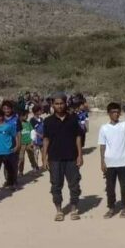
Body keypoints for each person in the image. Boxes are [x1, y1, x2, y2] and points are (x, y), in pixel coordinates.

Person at [42, 93, 84, 221]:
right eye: (56, 103)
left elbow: (78, 137)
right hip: (54, 158)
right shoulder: (48, 121)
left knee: (74, 184)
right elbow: (46, 139)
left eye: (61, 103)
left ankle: (73, 209)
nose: (59, 106)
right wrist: (44, 157)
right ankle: (59, 210)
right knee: (56, 185)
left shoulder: (73, 119)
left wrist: (80, 155)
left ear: (65, 104)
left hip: (71, 157)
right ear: (53, 105)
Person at [98, 103, 125, 218]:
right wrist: (102, 161)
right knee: (110, 187)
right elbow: (102, 146)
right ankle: (111, 208)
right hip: (110, 162)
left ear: (120, 113)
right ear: (109, 113)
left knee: (124, 186)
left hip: (124, 161)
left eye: (117, 112)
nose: (115, 114)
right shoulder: (104, 128)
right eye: (113, 112)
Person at [0, 108, 20, 199]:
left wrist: (17, 146)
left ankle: (11, 183)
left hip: (7, 152)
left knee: (10, 170)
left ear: (1, 117)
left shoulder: (9, 126)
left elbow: (16, 136)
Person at [18, 110, 38, 176]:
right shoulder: (17, 124)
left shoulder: (28, 123)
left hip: (29, 143)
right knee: (21, 158)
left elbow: (32, 131)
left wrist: (32, 141)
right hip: (21, 143)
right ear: (21, 116)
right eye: (26, 115)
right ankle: (20, 171)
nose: (27, 117)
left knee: (31, 156)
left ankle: (34, 168)